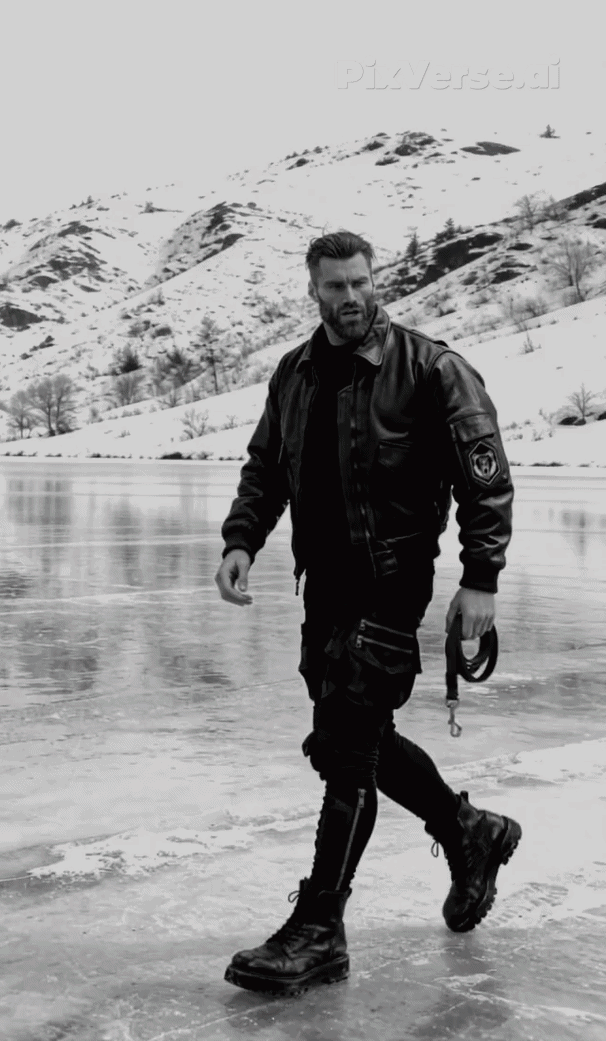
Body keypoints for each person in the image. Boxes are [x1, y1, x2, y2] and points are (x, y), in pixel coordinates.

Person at [214, 230, 522, 997]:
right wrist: (242, 539)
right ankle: (469, 829)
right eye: (334, 286)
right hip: (324, 589)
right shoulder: (294, 373)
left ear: (374, 280)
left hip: (392, 584)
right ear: (313, 290)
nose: (349, 297)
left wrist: (480, 579)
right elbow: (266, 467)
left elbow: (485, 479)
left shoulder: (430, 368)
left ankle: (320, 926)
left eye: (359, 282)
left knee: (347, 750)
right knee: (361, 737)